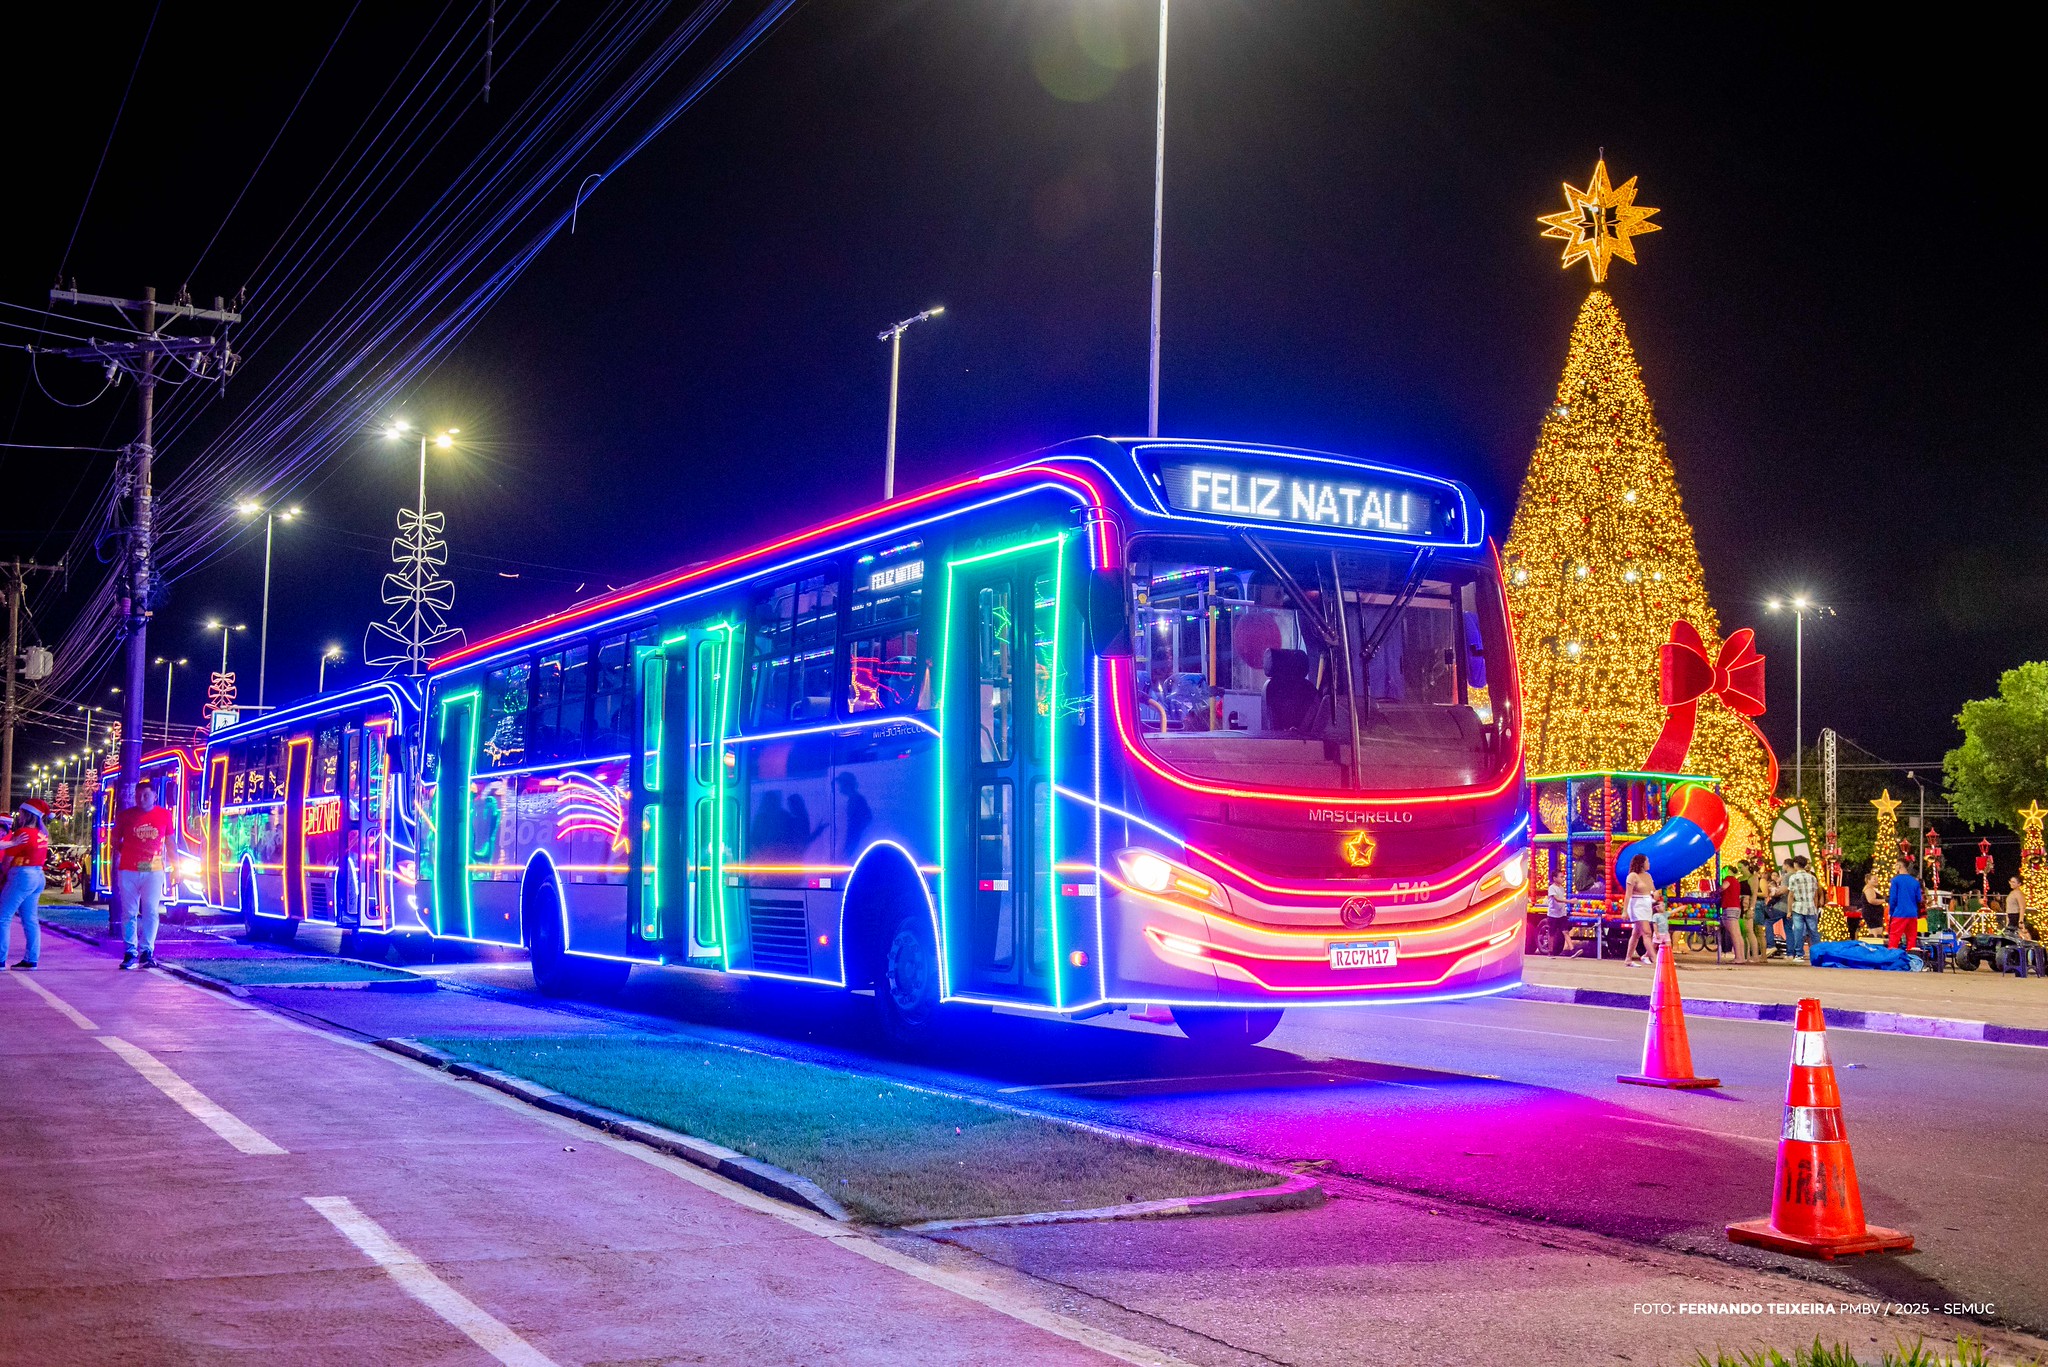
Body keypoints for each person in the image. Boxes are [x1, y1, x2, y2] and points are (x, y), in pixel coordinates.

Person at [114, 779, 172, 971]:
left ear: (154, 796)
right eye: (138, 795)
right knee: (129, 912)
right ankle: (130, 951)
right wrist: (123, 858)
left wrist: (176, 866)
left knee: (150, 910)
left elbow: (171, 842)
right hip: (128, 870)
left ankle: (147, 951)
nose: (141, 798)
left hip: (154, 871)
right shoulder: (125, 816)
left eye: (146, 795)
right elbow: (115, 841)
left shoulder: (164, 815)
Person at [0, 799, 54, 970]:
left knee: (3, 916)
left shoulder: (22, 833)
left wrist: (3, 875)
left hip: (22, 875)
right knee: (30, 919)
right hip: (38, 875)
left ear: (26, 814)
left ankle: (1, 959)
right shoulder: (42, 833)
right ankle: (31, 959)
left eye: (21, 812)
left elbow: (8, 859)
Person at [1624, 852, 1661, 966]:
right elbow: (1628, 894)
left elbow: (1653, 890)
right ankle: (1655, 959)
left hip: (1646, 905)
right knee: (1647, 932)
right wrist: (1625, 911)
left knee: (1636, 934)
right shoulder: (1632, 876)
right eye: (1647, 861)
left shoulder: (1648, 876)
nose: (1648, 863)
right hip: (1637, 905)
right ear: (1641, 863)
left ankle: (1628, 959)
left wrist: (1655, 894)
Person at [1785, 856, 1821, 961]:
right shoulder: (1812, 877)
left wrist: (1789, 911)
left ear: (1796, 864)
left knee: (1798, 931)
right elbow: (1815, 895)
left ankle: (1799, 954)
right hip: (1810, 907)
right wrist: (1815, 906)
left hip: (1798, 907)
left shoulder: (1793, 878)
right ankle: (1817, 953)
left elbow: (1791, 895)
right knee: (1813, 931)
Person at [1886, 859, 1925, 951]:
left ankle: (1892, 960)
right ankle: (1911, 960)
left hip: (1899, 913)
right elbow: (1919, 899)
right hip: (1912, 914)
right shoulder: (1915, 882)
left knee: (1894, 939)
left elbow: (1893, 899)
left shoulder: (1896, 880)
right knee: (1911, 939)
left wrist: (1891, 912)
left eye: (1896, 865)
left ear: (1900, 866)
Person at [1718, 863, 1749, 963]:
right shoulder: (1736, 880)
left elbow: (1723, 887)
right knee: (1738, 934)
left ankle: (1738, 958)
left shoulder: (1729, 879)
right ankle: (1741, 957)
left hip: (1729, 907)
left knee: (1734, 934)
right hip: (1736, 907)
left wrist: (1715, 890)